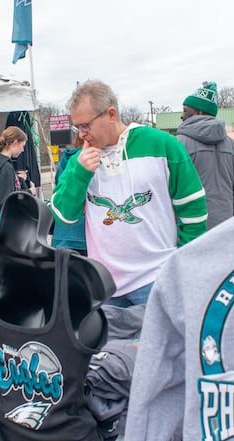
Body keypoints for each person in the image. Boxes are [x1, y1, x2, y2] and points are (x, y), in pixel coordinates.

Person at [50, 79, 207, 307]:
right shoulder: (78, 161)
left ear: (111, 114)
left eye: (86, 126)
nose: (81, 134)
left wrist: (179, 267)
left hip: (156, 278)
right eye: (77, 128)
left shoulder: (163, 145)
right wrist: (80, 173)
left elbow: (194, 211)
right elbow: (65, 215)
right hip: (103, 284)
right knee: (108, 344)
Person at [176, 81, 234, 228]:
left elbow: (171, 192)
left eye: (185, 110)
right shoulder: (231, 145)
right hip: (224, 226)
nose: (182, 116)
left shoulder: (178, 144)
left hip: (190, 229)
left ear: (199, 112)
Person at [0, 126, 28, 234]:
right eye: (22, 146)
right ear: (15, 143)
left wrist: (18, 179)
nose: (22, 150)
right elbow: (4, 199)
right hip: (5, 221)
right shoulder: (6, 168)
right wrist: (28, 192)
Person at [51, 136, 87, 255]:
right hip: (83, 234)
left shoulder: (66, 159)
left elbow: (58, 188)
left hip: (62, 233)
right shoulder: (94, 159)